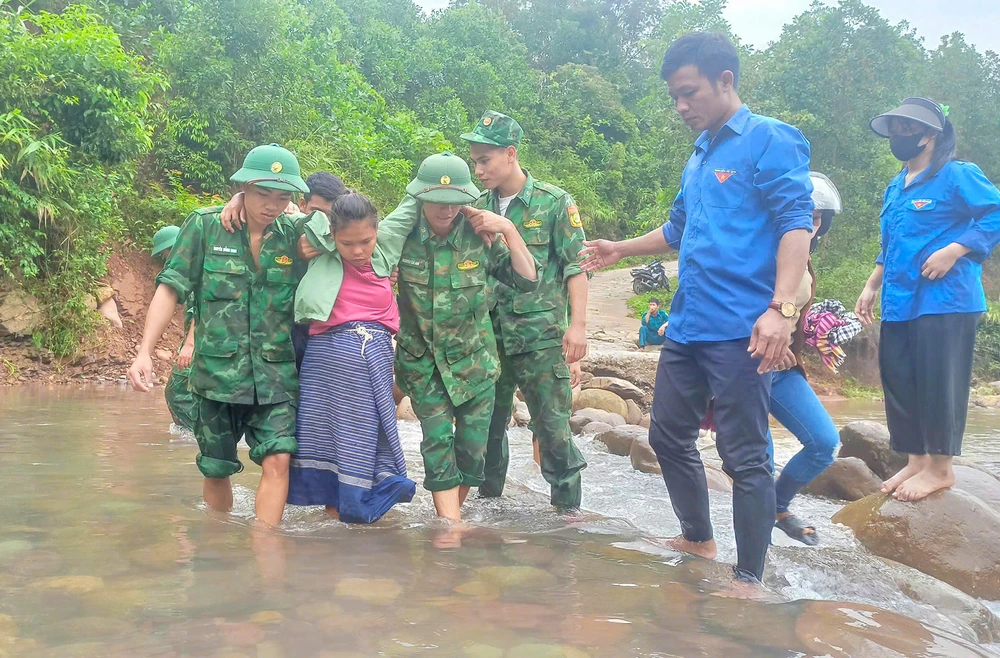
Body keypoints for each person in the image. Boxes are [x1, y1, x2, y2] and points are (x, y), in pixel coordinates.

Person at [578, 32, 814, 584]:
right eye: (675, 98)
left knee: (746, 457)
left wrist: (781, 310)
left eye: (689, 93)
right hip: (687, 324)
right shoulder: (701, 153)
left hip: (741, 328)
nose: (681, 107)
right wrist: (620, 250)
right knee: (666, 434)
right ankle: (698, 537)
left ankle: (749, 577)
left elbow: (795, 226)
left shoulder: (769, 140)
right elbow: (678, 230)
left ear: (725, 81)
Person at [127, 143, 314, 528]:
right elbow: (170, 288)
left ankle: (266, 546)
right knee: (216, 469)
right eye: (263, 193)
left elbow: (350, 223)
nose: (272, 205)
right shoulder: (205, 225)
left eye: (283, 197)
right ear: (243, 187)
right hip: (216, 377)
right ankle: (217, 546)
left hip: (276, 377)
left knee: (279, 457)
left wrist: (300, 213)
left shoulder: (295, 234)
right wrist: (144, 352)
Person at [856, 97, 1000, 502]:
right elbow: (892, 243)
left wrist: (955, 249)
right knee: (899, 378)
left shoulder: (956, 174)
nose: (899, 136)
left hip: (947, 299)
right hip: (901, 300)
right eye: (895, 129)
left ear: (930, 134)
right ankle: (916, 460)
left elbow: (995, 213)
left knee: (939, 381)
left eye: (907, 129)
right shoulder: (895, 185)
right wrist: (871, 284)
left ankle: (941, 469)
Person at [393, 152, 539, 524]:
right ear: (420, 198)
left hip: (474, 363)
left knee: (473, 453)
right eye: (437, 202)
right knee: (437, 440)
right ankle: (450, 530)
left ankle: (447, 517)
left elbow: (526, 278)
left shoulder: (480, 235)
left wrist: (508, 229)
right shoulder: (400, 238)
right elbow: (348, 235)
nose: (446, 211)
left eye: (455, 202)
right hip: (423, 362)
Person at [462, 110, 589, 511]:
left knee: (552, 429)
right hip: (489, 337)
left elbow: (576, 266)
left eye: (485, 160)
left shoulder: (554, 203)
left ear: (511, 153)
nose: (478, 169)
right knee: (487, 427)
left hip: (540, 338)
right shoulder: (476, 207)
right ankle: (489, 509)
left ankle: (567, 518)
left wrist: (579, 327)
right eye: (474, 161)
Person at [286, 191, 417, 522]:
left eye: (365, 241)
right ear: (333, 236)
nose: (358, 251)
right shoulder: (323, 251)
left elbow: (414, 199)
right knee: (326, 434)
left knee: (362, 433)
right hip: (324, 356)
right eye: (347, 243)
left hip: (369, 352)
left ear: (377, 231)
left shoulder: (384, 251)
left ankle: (351, 516)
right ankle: (344, 518)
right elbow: (297, 218)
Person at [769, 171, 844, 545]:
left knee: (824, 444)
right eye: (802, 216)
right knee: (756, 463)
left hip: (783, 373)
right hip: (745, 368)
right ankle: (751, 556)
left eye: (815, 219)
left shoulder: (807, 261)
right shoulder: (760, 250)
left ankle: (777, 506)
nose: (809, 225)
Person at [221, 171, 349, 369]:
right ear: (302, 204)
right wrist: (239, 199)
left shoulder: (344, 238)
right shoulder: (286, 228)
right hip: (281, 335)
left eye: (329, 215)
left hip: (329, 333)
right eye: (315, 212)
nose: (321, 221)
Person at [151, 225, 199, 433]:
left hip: (202, 341)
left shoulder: (199, 266)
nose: (165, 258)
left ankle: (197, 436)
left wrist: (190, 344)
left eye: (165, 253)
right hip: (202, 340)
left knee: (177, 391)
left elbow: (204, 309)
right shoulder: (191, 267)